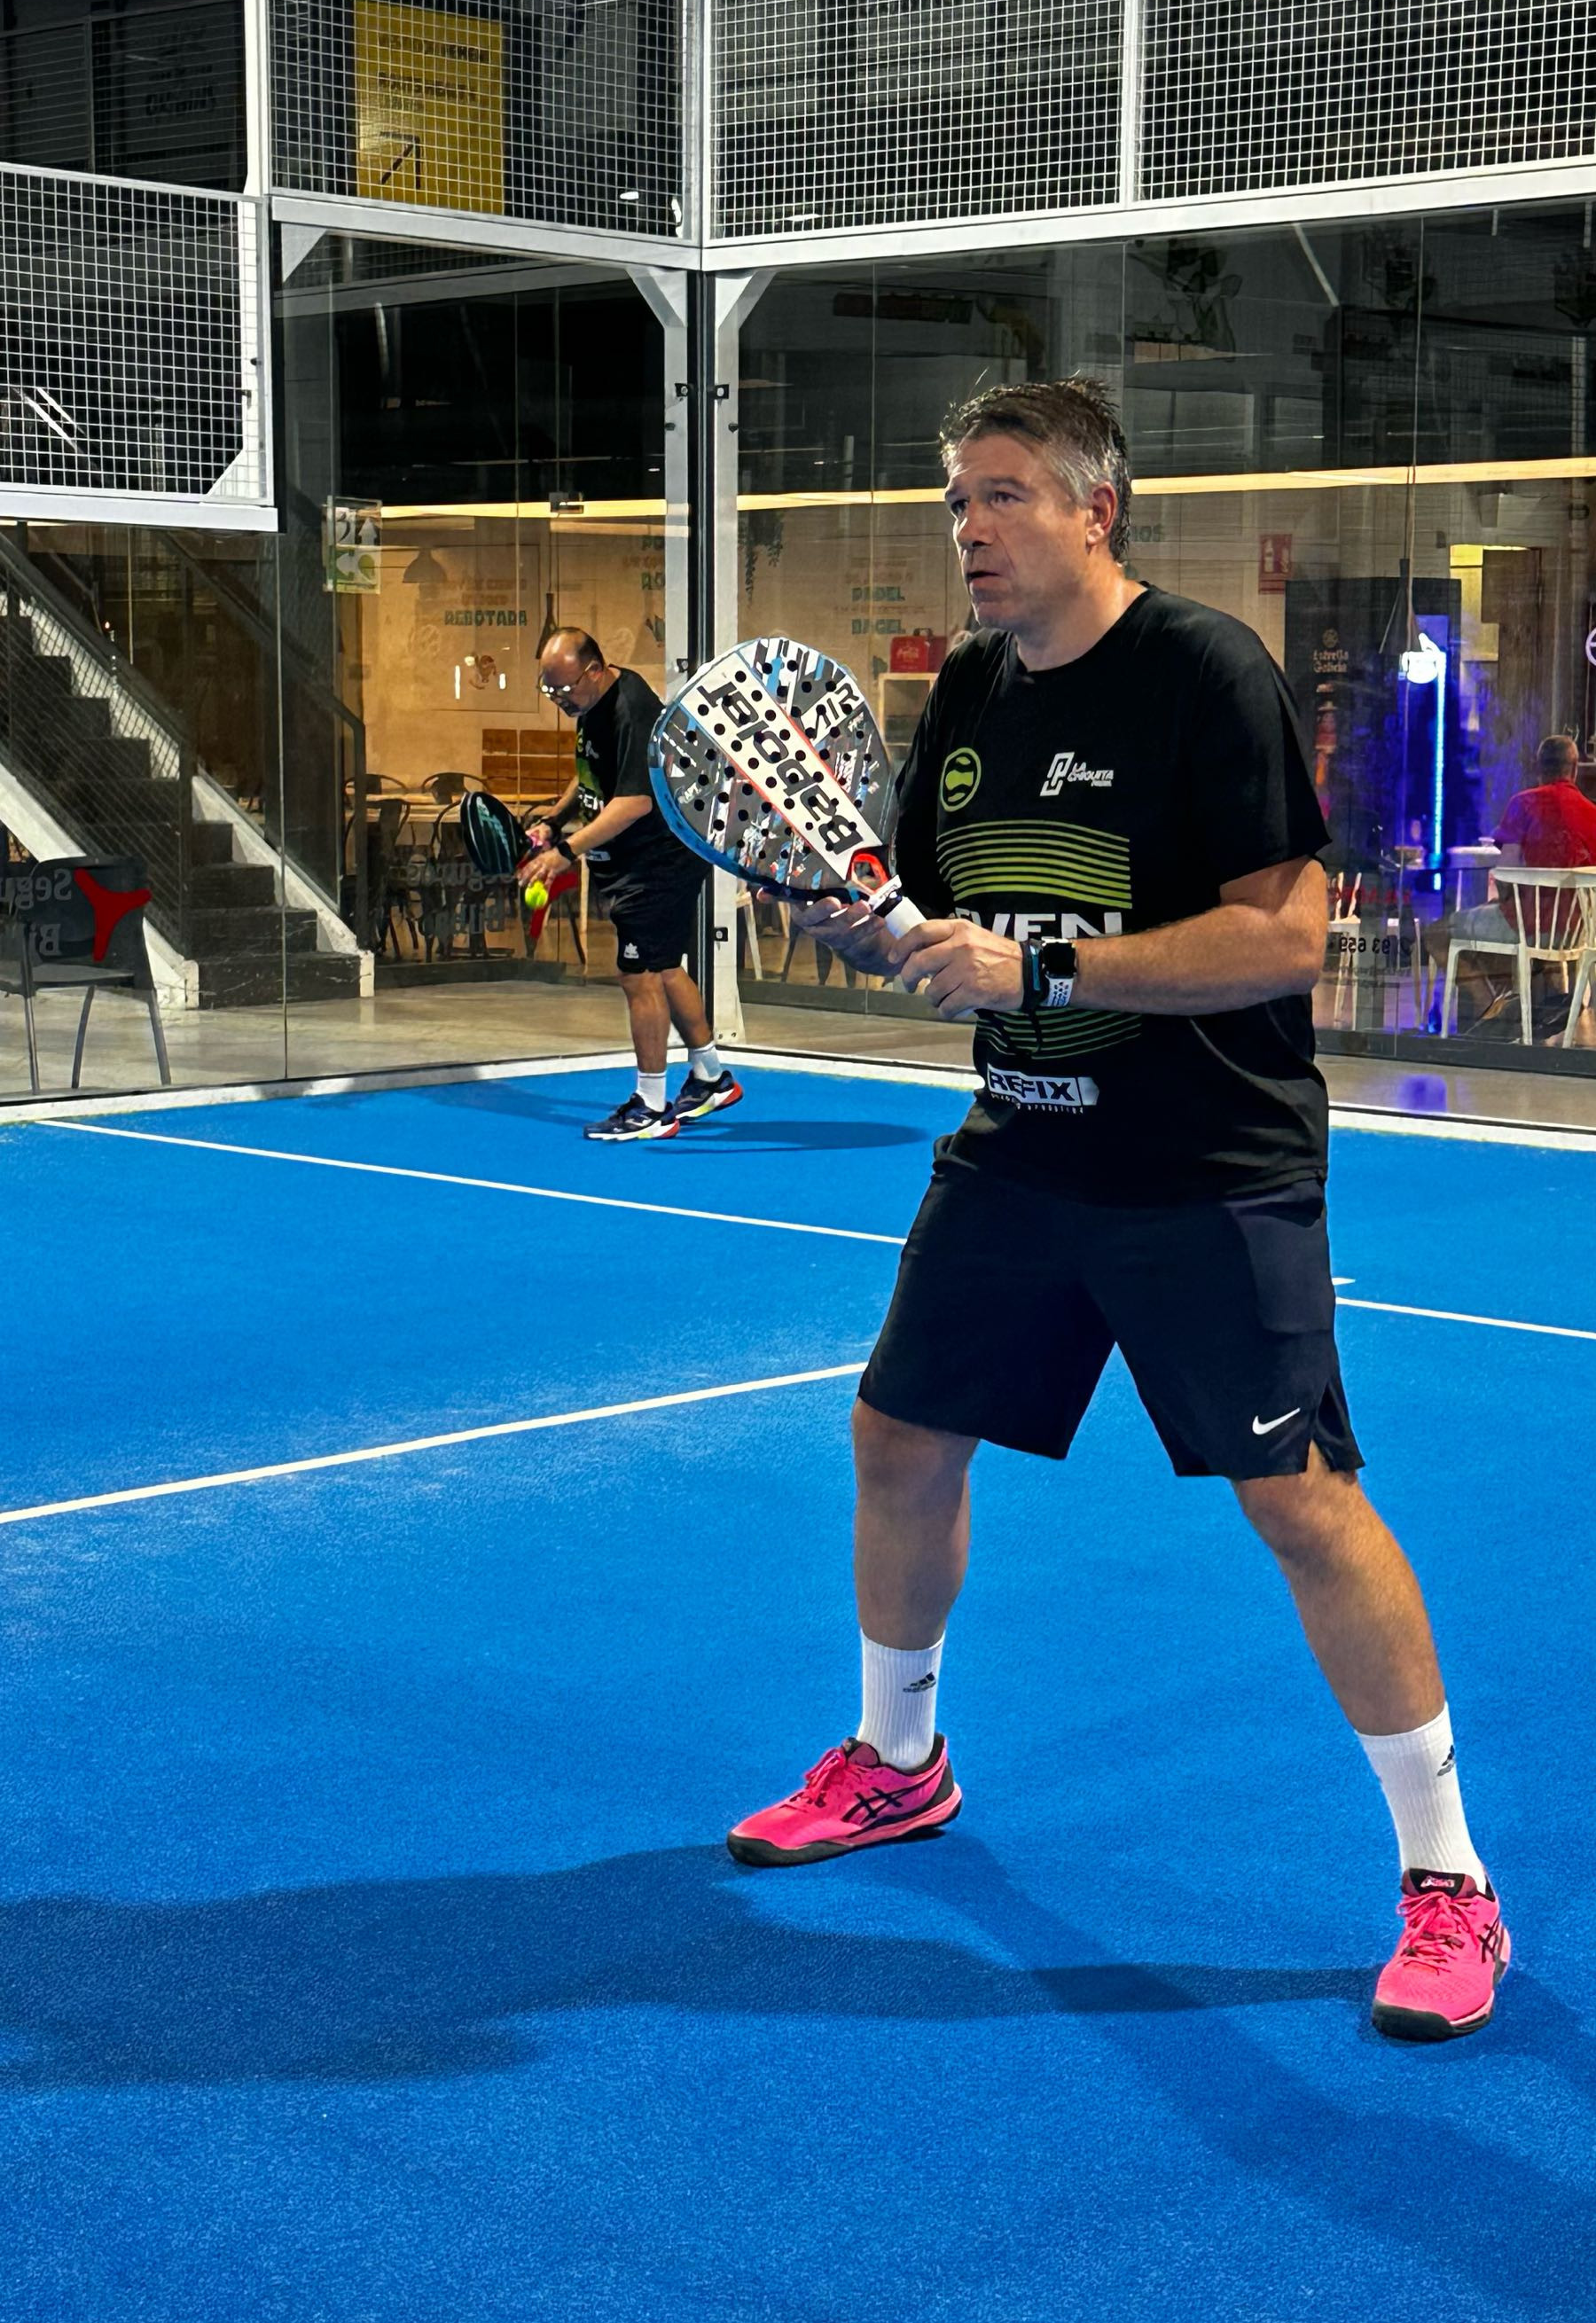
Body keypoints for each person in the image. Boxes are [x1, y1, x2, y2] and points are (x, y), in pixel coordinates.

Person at [727, 376, 1509, 2045]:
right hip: (1022, 1148)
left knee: (1300, 1502)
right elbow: (941, 917)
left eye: (1002, 495)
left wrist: (1044, 968)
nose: (970, 528)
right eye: (957, 500)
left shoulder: (1205, 672)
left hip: (1209, 1169)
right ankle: (898, 1760)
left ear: (1098, 509)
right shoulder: (970, 695)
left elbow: (1286, 936)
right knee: (897, 1436)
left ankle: (1448, 1878)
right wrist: (884, 936)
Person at [521, 629, 742, 1141]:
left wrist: (565, 852)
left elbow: (634, 801)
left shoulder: (632, 709)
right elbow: (595, 773)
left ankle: (650, 1106)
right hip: (639, 860)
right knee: (662, 966)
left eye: (565, 690)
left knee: (637, 974)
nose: (559, 700)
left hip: (658, 861)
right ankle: (710, 1077)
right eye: (549, 690)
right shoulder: (592, 703)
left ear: (595, 671)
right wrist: (554, 820)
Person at [1423, 732, 1596, 1029]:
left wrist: (1505, 898)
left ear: (1538, 767)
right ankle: (1539, 1009)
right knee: (1517, 930)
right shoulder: (1592, 813)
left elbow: (1505, 874)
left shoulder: (1524, 803)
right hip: (1576, 931)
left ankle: (1488, 1010)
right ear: (1575, 768)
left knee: (1437, 934)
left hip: (1527, 926)